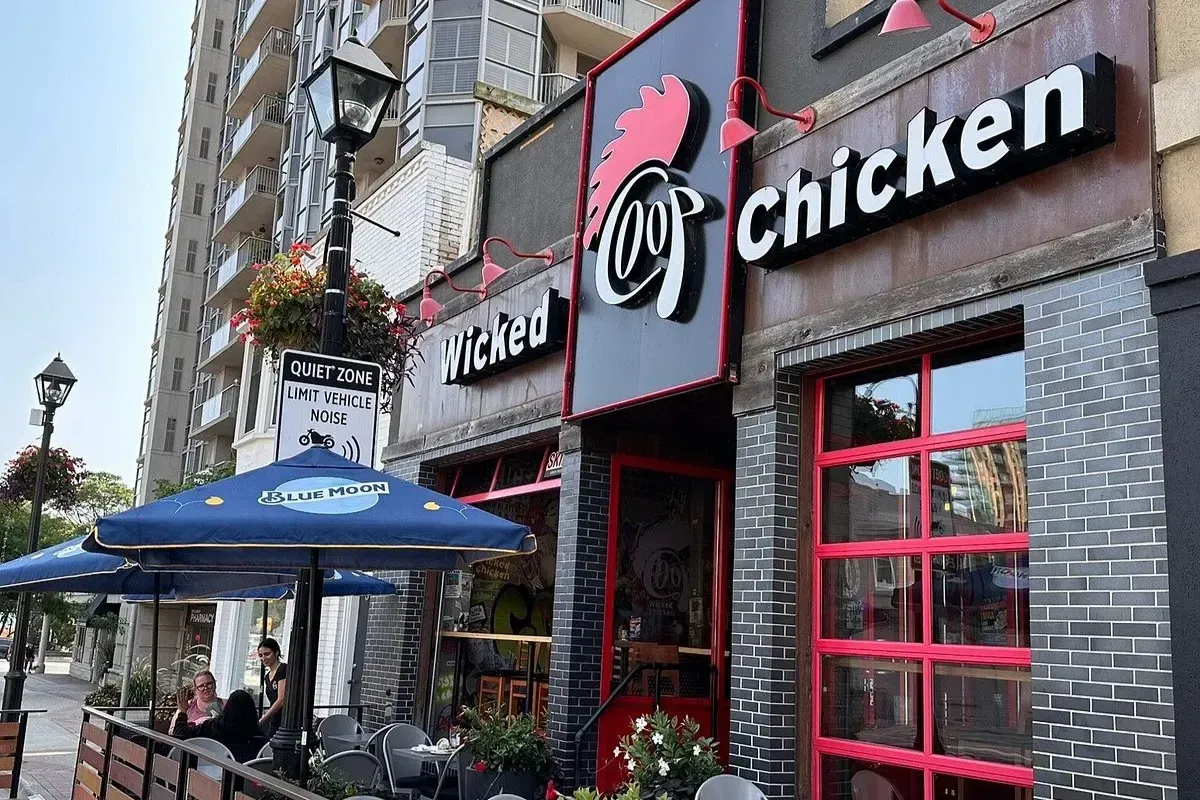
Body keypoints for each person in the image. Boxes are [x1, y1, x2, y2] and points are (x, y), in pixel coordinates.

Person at [172, 689, 268, 763]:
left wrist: (183, 711)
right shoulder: (261, 739)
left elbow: (180, 733)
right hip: (249, 783)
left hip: (214, 776)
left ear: (228, 709)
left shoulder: (214, 727)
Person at [257, 637, 287, 736]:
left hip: (285, 719)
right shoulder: (267, 677)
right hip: (274, 718)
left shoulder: (283, 669)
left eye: (267, 654)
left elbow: (281, 699)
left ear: (276, 652)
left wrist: (263, 719)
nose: (263, 658)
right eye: (260, 655)